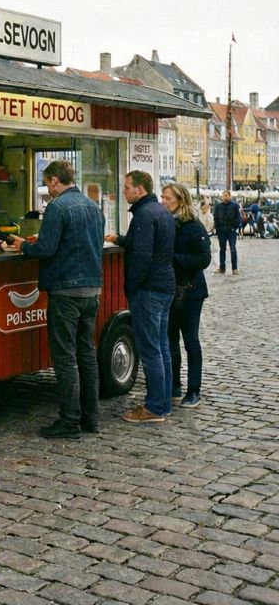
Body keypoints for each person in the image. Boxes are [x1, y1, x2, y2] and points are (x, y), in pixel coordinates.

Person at [8, 160, 105, 439]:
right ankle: (91, 417)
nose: (47, 188)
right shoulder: (93, 207)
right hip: (91, 289)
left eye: (46, 182)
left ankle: (69, 420)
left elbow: (47, 249)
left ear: (54, 181)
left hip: (65, 292)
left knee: (65, 357)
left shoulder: (58, 207)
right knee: (87, 354)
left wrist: (24, 246)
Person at [105, 170, 175, 424]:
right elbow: (145, 245)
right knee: (162, 347)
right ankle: (163, 402)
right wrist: (120, 239)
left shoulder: (144, 215)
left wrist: (132, 287)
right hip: (165, 285)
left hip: (148, 289)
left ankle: (155, 407)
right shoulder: (161, 211)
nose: (124, 192)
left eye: (126, 188)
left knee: (150, 349)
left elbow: (143, 256)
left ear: (140, 190)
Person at [161, 182, 211, 409]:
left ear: (180, 201)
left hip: (191, 291)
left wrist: (175, 259)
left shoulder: (193, 226)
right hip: (170, 289)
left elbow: (204, 259)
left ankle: (194, 390)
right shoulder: (165, 223)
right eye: (162, 197)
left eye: (168, 198)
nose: (163, 202)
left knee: (190, 340)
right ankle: (174, 385)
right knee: (170, 339)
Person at [213, 190, 241, 274]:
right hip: (222, 231)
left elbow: (238, 218)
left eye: (226, 195)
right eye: (223, 195)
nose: (224, 197)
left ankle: (234, 268)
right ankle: (222, 268)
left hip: (231, 231)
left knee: (233, 249)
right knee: (222, 249)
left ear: (229, 196)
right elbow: (216, 218)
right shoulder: (218, 206)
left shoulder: (235, 205)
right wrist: (218, 229)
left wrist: (234, 228)